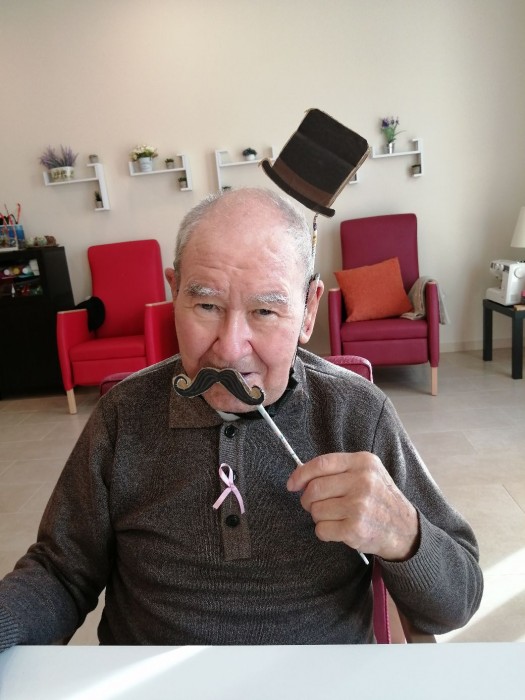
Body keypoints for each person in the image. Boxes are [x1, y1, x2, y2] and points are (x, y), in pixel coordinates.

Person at [0, 188, 483, 649]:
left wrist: (404, 534)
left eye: (265, 311)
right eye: (206, 305)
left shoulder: (358, 414)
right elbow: (61, 572)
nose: (230, 349)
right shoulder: (123, 416)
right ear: (174, 294)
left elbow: (456, 603)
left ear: (308, 311)